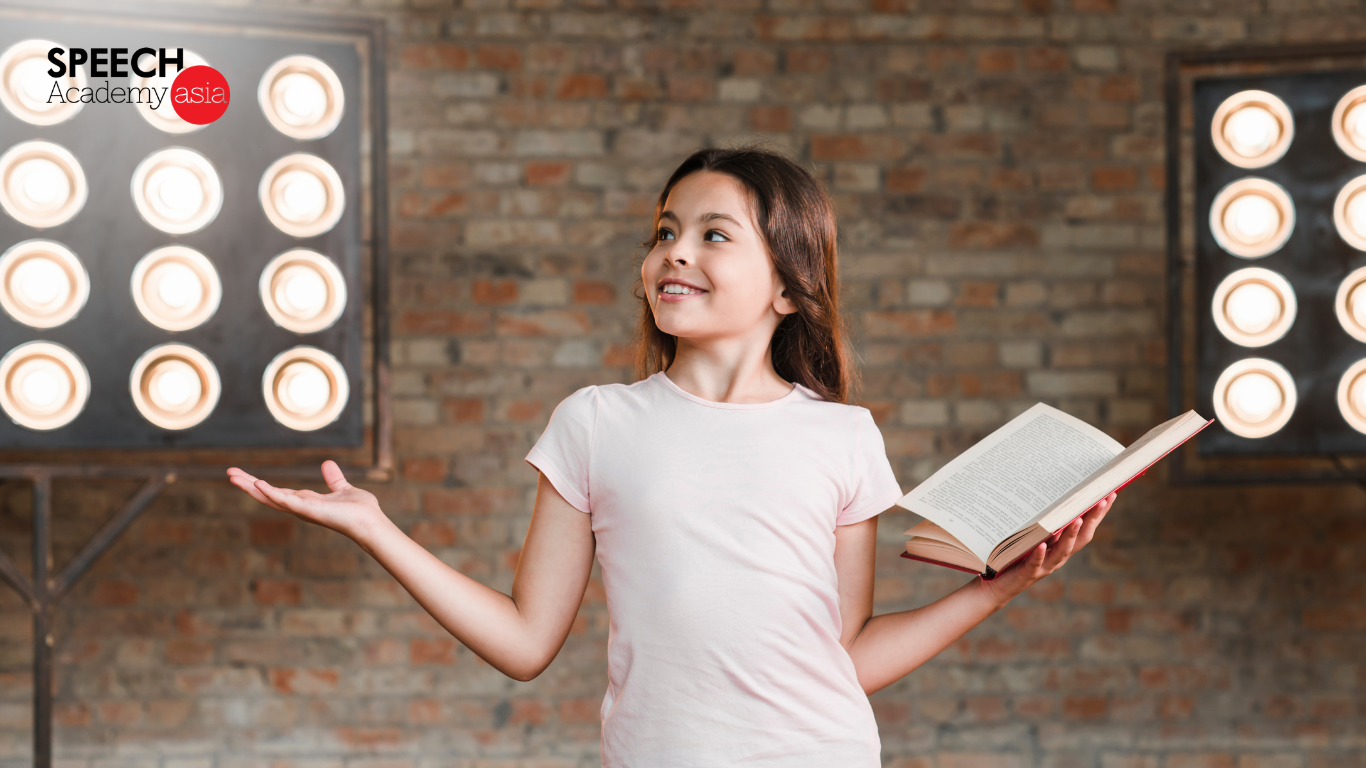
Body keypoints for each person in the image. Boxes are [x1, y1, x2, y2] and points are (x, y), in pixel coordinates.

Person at [228, 145, 1116, 767]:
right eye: (664, 231)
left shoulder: (843, 436)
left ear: (787, 285)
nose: (674, 252)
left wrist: (998, 586)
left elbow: (841, 656)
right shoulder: (594, 424)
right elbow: (526, 642)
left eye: (713, 234)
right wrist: (382, 533)